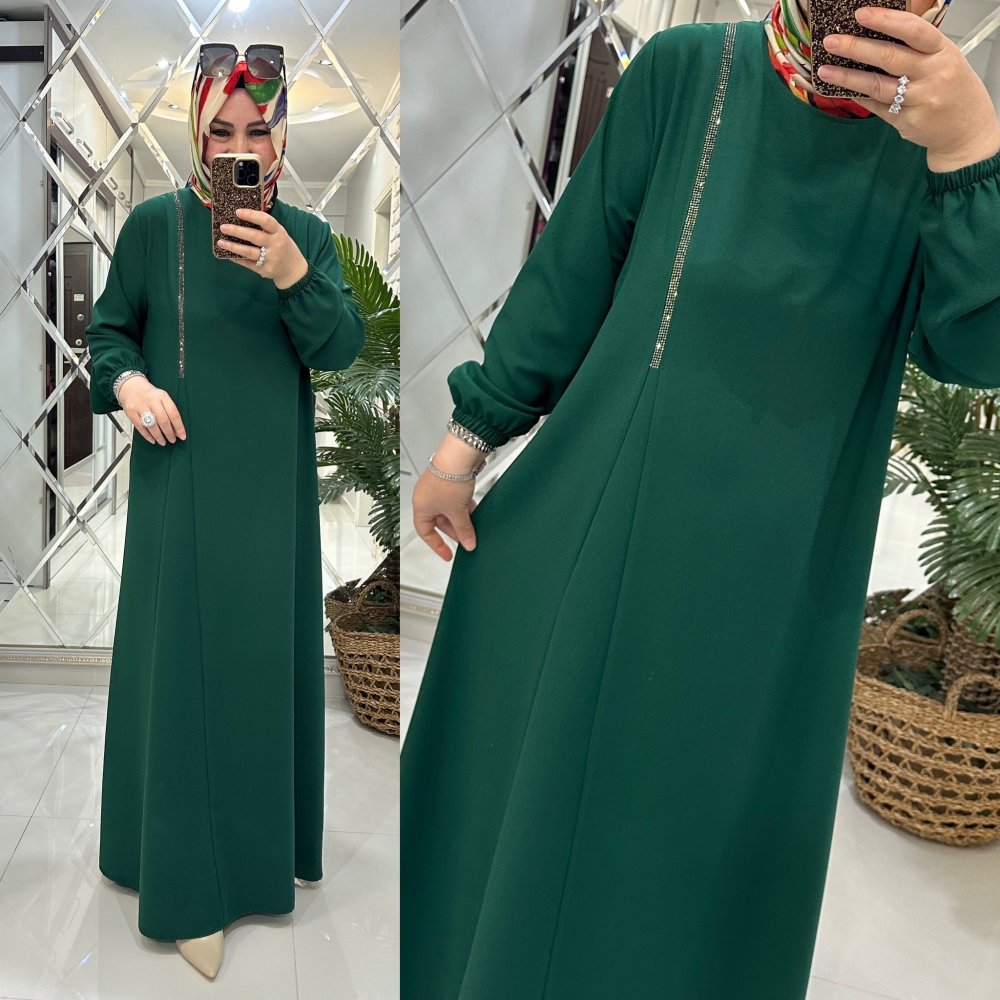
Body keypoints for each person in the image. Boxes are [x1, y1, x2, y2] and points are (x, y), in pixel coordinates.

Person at [403, 1, 1000, 996]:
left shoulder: (939, 141)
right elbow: (569, 276)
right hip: (600, 537)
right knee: (550, 826)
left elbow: (975, 348)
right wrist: (466, 444)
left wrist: (970, 150)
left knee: (687, 861)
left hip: (779, 593)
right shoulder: (693, 73)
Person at [86, 43, 365, 980]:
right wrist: (129, 386)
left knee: (254, 670)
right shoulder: (154, 228)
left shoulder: (308, 237)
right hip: (179, 484)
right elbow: (109, 336)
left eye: (256, 131)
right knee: (182, 672)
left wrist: (291, 271)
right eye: (220, 131)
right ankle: (180, 879)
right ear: (196, 134)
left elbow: (339, 347)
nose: (238, 149)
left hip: (270, 501)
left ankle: (253, 860)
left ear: (280, 137)